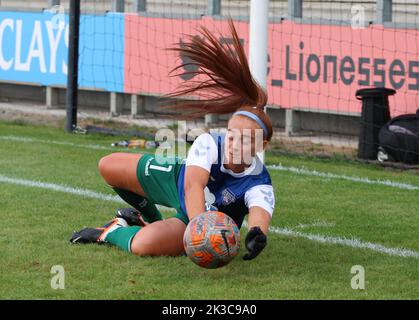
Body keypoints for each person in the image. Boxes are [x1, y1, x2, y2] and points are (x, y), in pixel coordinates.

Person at [70, 19, 275, 261]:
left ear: (262, 145)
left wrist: (256, 233)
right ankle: (148, 218)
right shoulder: (209, 142)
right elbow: (192, 186)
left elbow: (259, 213)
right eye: (231, 135)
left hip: (191, 220)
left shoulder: (259, 182)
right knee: (108, 166)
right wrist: (201, 229)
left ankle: (110, 232)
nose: (234, 143)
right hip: (177, 181)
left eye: (245, 140)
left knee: (142, 246)